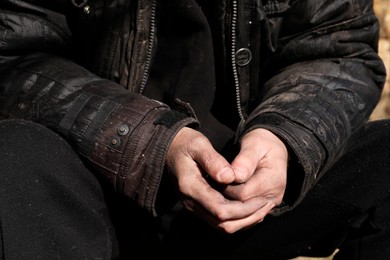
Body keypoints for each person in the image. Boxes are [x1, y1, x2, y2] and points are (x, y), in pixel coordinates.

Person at [0, 0, 389, 259]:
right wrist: (154, 143)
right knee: (14, 154)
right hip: (95, 186)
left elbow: (339, 49)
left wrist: (283, 136)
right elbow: (14, 55)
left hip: (250, 188)